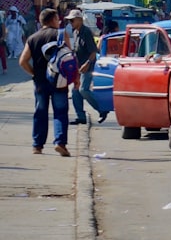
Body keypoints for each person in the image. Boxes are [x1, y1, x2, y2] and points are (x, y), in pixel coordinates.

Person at [20, 8, 69, 156]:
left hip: (40, 81)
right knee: (60, 112)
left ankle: (37, 146)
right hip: (59, 80)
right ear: (53, 20)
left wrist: (34, 73)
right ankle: (60, 143)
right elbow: (70, 57)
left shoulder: (33, 38)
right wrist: (75, 78)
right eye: (57, 19)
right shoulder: (61, 35)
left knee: (40, 112)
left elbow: (23, 61)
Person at [66, 10, 107, 125]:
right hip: (78, 67)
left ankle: (102, 109)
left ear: (79, 20)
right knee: (75, 92)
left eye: (72, 20)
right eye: (69, 21)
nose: (71, 23)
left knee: (83, 90)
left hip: (88, 66)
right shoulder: (75, 32)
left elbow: (93, 51)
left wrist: (87, 63)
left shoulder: (86, 32)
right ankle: (81, 116)